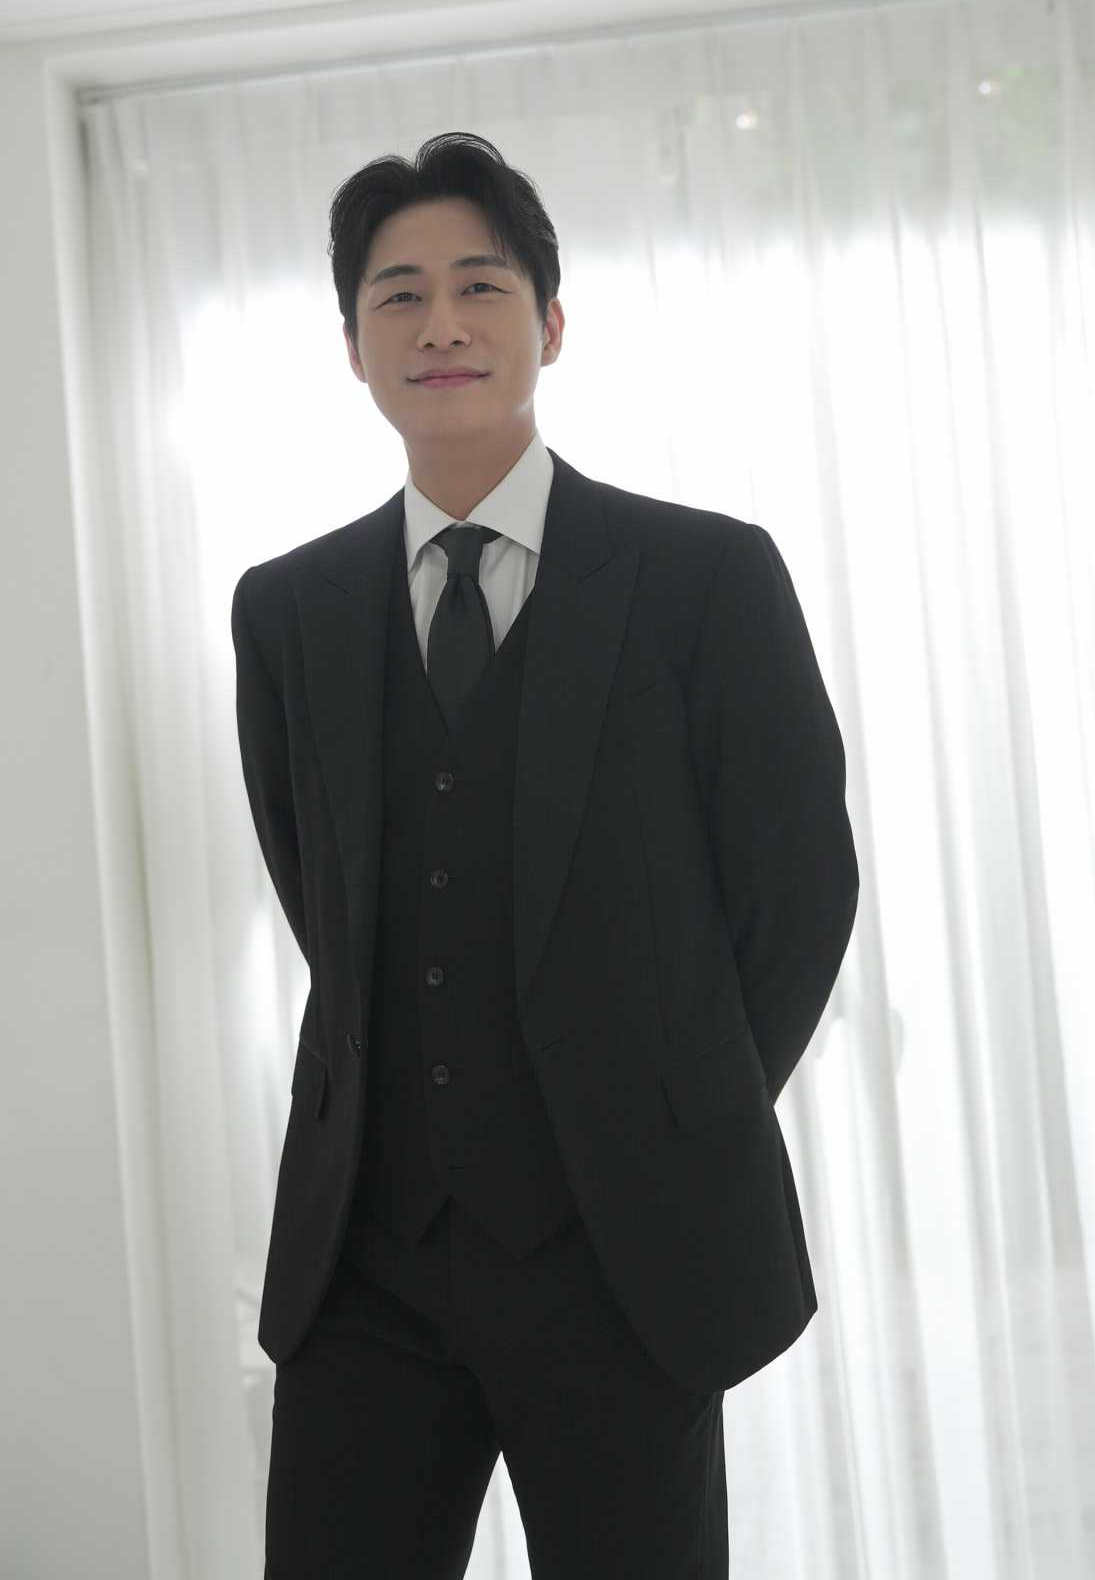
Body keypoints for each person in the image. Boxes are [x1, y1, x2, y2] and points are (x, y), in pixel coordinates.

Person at [231, 131, 860, 1578]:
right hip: (369, 1262)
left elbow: (796, 896)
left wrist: (665, 1114)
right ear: (353, 349)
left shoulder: (706, 578)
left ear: (552, 324)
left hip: (622, 1262)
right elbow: (320, 889)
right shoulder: (287, 611)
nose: (439, 325)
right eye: (397, 297)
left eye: (480, 286)